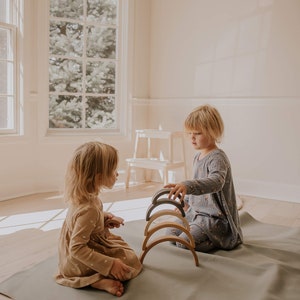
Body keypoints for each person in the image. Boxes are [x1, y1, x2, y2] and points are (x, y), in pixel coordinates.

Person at [55, 141, 142, 297]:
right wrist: (110, 265)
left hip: (70, 255)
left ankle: (96, 277)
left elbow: (84, 222)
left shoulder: (85, 198)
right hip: (76, 262)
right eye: (113, 170)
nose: (117, 174)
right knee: (129, 262)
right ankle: (95, 280)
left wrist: (104, 218)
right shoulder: (88, 209)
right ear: (99, 177)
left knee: (124, 252)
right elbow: (77, 248)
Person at [165, 104, 243, 252]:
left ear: (213, 133)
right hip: (196, 214)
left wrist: (187, 185)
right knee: (170, 234)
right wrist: (185, 203)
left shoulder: (217, 157)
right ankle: (199, 231)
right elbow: (198, 185)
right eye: (189, 133)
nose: (192, 138)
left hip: (215, 219)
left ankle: (220, 240)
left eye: (197, 133)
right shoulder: (197, 156)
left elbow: (216, 182)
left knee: (183, 242)